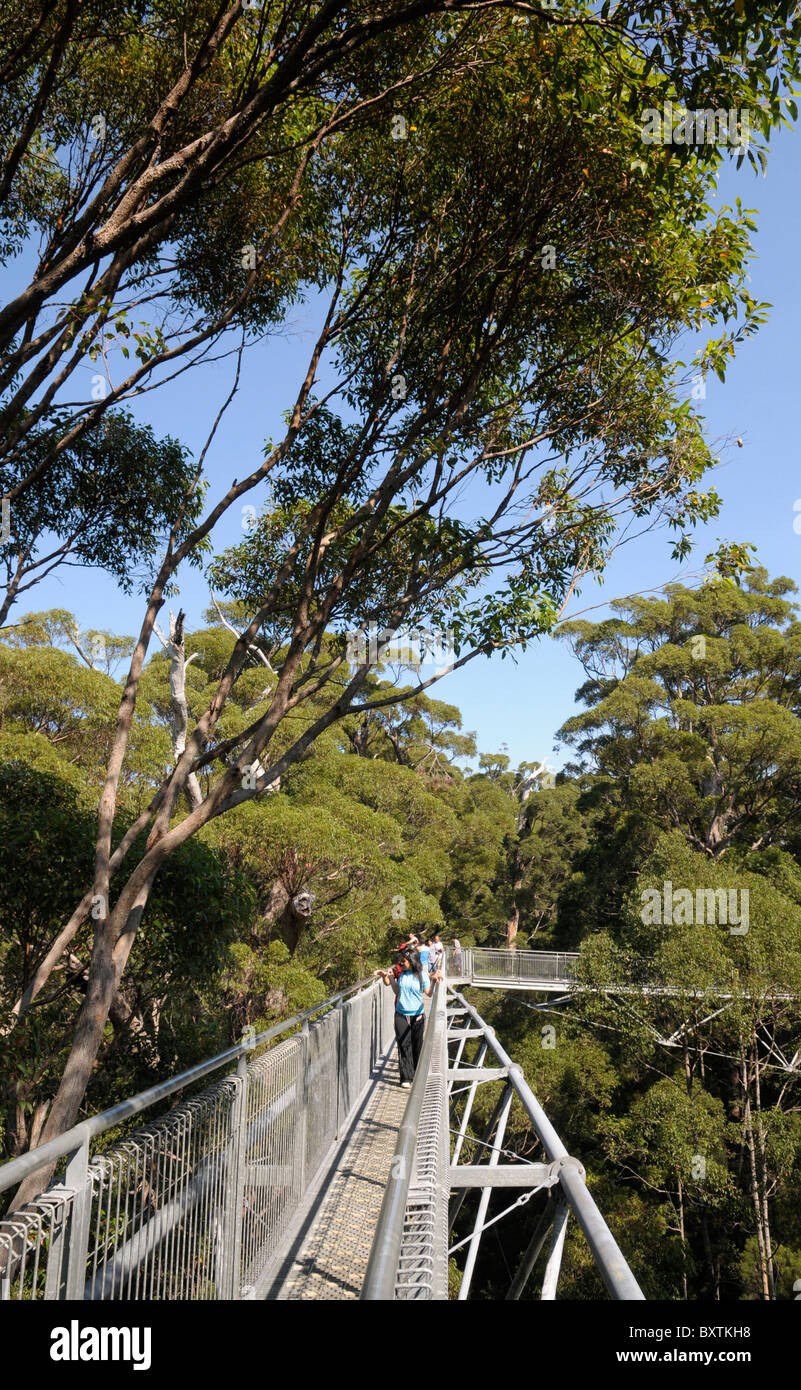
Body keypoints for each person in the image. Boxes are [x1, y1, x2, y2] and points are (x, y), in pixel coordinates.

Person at [375, 948, 440, 1087]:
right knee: (404, 1045)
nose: (401, 963)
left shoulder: (421, 974)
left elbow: (428, 993)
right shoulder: (403, 974)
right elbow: (397, 990)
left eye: (403, 960)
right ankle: (406, 1078)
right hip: (401, 1014)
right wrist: (389, 977)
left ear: (411, 961)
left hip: (417, 1014)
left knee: (417, 1046)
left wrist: (433, 981)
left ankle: (418, 1075)